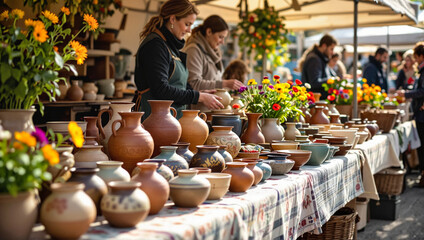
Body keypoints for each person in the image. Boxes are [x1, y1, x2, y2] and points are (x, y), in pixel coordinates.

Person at [133, 0, 223, 120]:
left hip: (171, 118)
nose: (189, 30)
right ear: (173, 19)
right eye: (187, 24)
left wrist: (199, 92)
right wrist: (198, 96)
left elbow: (180, 84)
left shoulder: (169, 45)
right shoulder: (155, 46)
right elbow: (161, 89)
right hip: (154, 120)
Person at [397, 42, 424, 187]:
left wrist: (407, 93)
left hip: (421, 114)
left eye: (416, 57)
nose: (415, 60)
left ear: (420, 56)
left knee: (422, 147)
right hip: (419, 113)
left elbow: (422, 91)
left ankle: (423, 176)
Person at [300, 34, 338, 99]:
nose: (332, 52)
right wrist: (330, 80)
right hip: (315, 102)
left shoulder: (321, 58)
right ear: (324, 46)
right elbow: (314, 83)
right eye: (331, 49)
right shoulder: (314, 59)